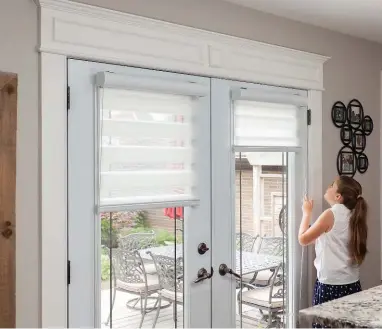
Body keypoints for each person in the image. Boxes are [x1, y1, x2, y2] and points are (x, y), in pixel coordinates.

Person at [298, 176, 368, 328]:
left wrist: (306, 213)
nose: (328, 187)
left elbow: (303, 239)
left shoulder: (330, 214)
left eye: (332, 185)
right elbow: (321, 238)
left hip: (330, 286)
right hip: (352, 284)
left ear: (338, 196)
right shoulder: (354, 214)